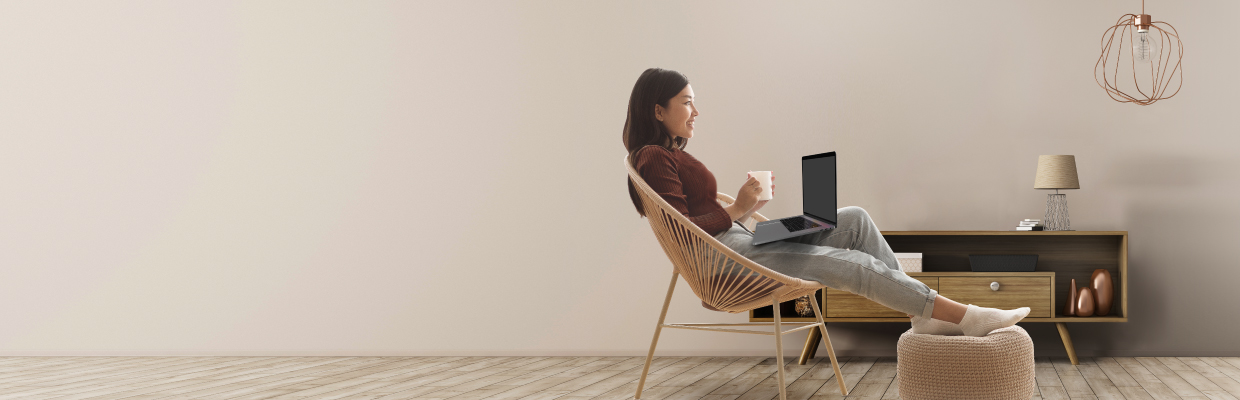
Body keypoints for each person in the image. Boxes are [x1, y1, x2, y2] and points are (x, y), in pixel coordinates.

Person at [623, 68, 1028, 337]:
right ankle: (966, 317)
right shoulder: (652, 157)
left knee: (852, 219)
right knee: (851, 264)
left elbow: (698, 215)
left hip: (743, 239)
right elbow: (683, 228)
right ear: (658, 110)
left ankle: (919, 315)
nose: (697, 111)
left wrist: (746, 208)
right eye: (687, 101)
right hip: (728, 259)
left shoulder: (668, 154)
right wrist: (736, 209)